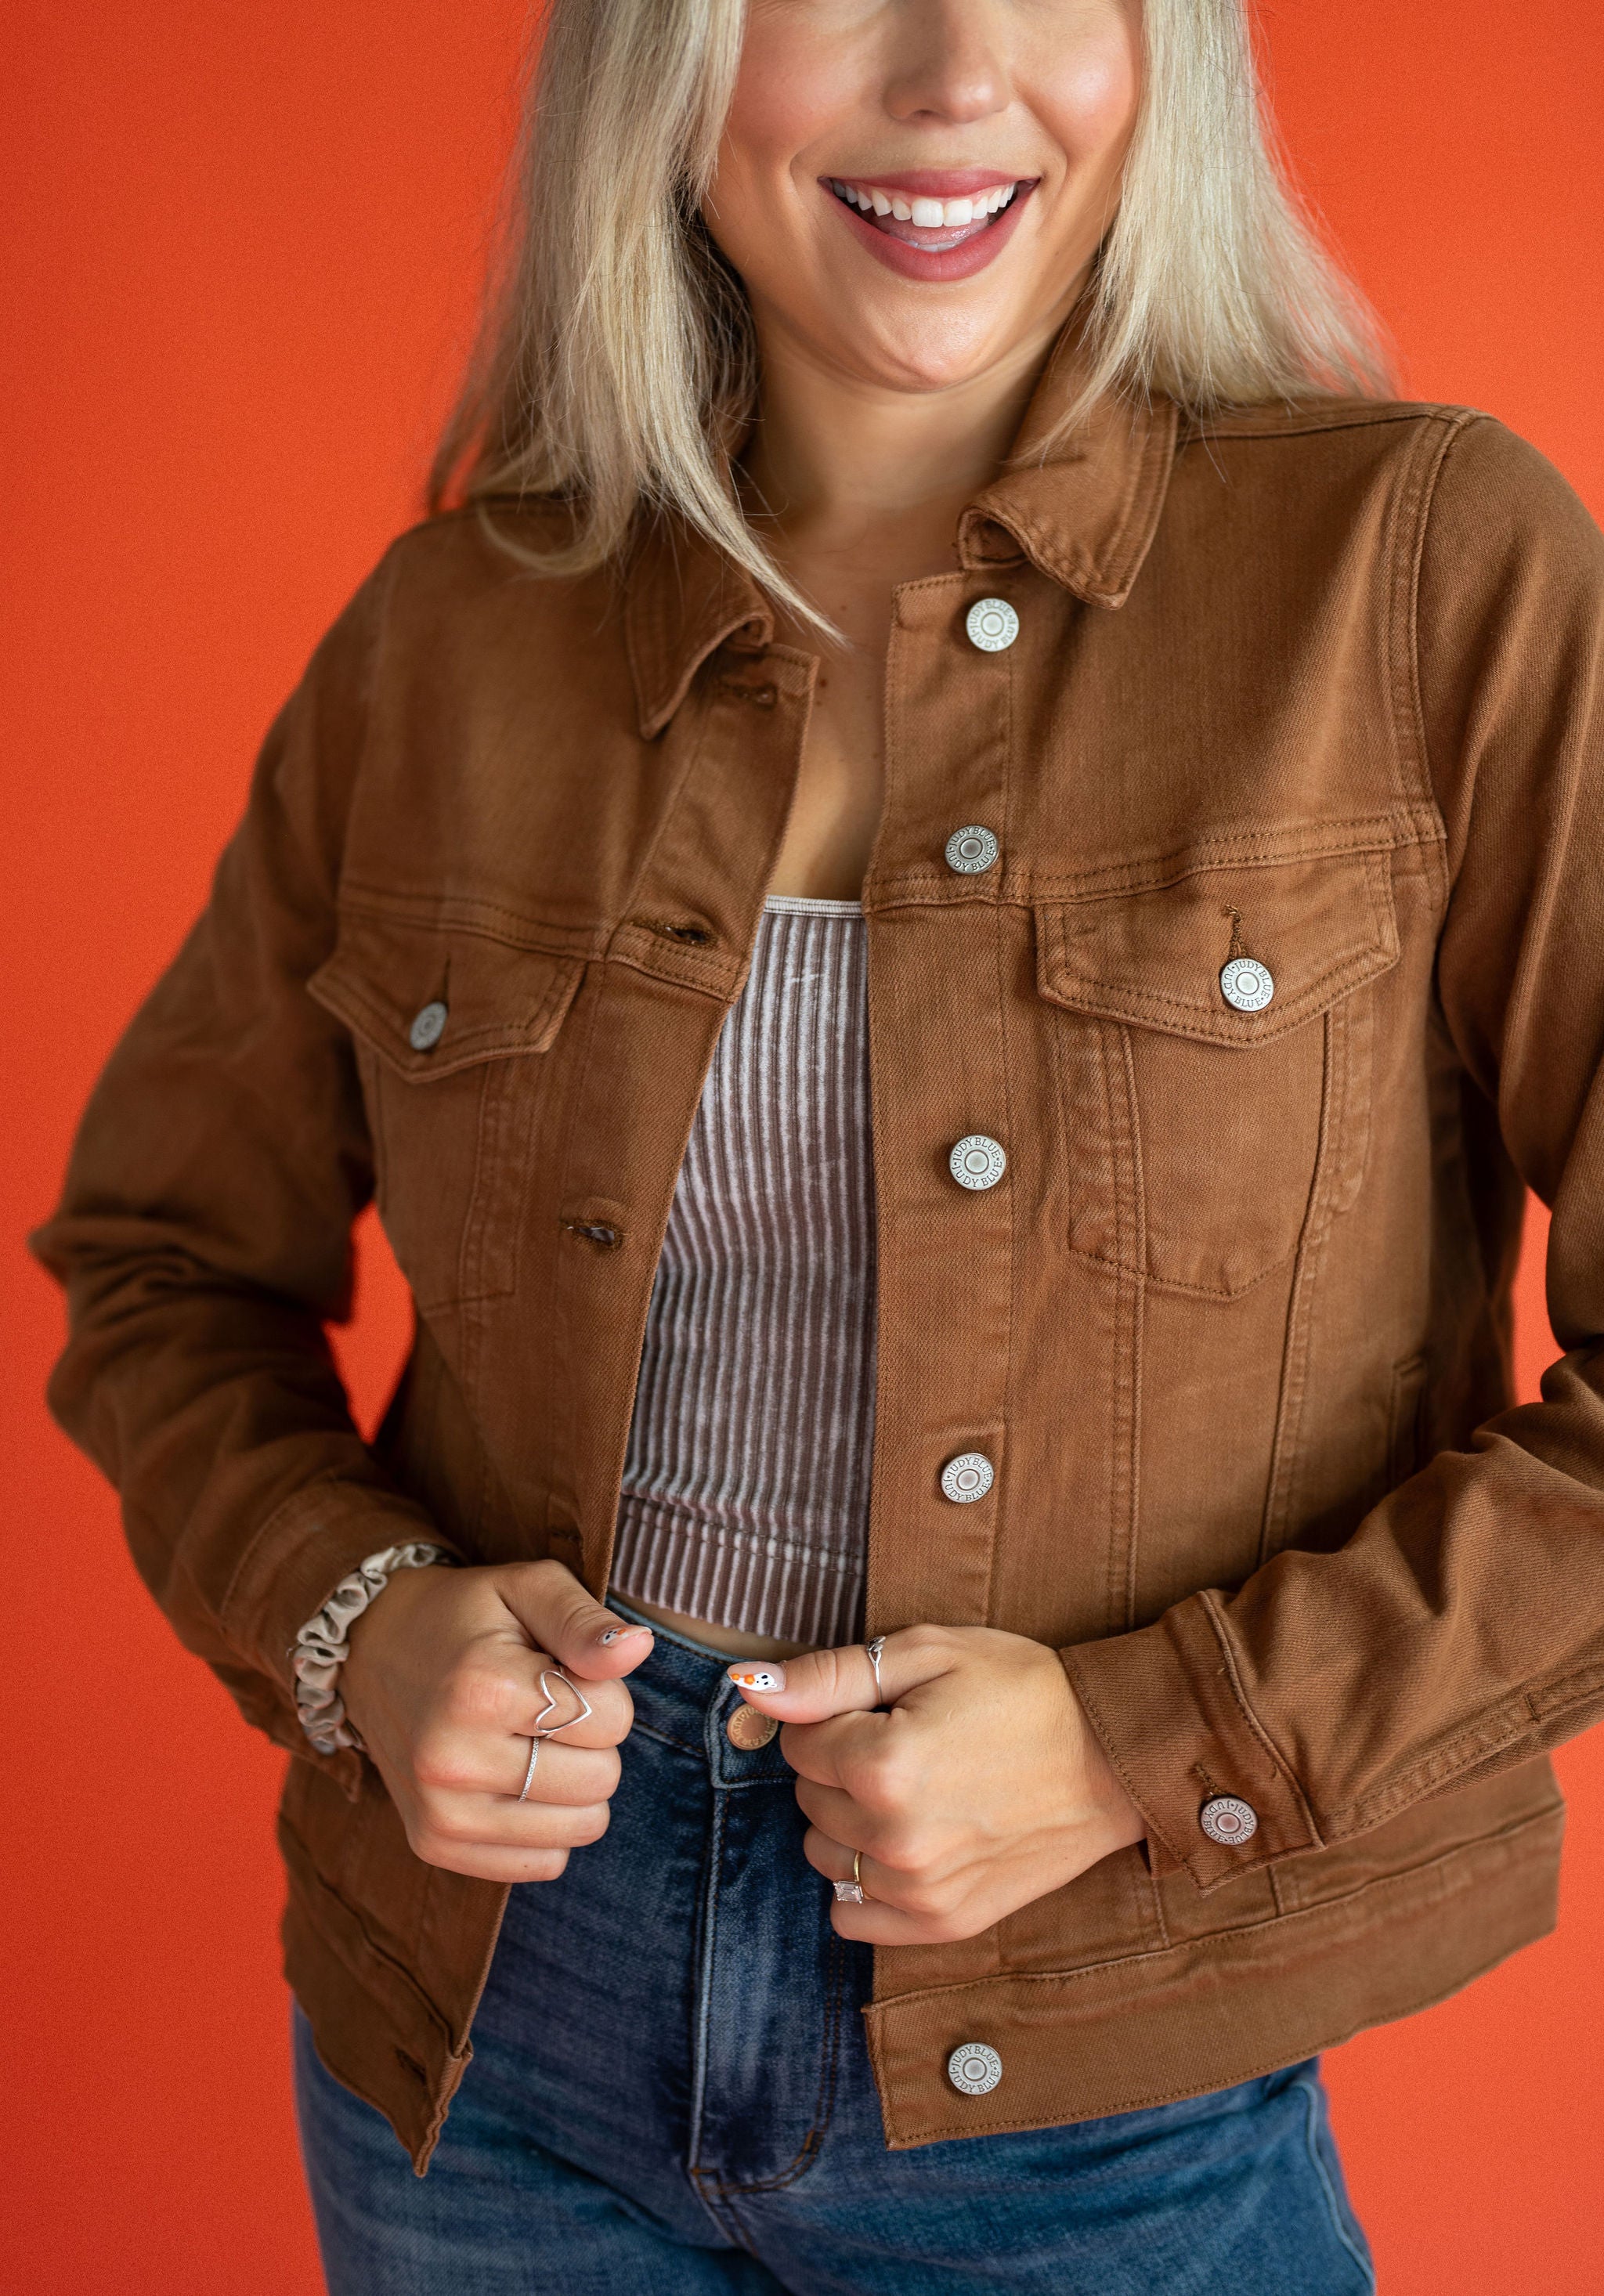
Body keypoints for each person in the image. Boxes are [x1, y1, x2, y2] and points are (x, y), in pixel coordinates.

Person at [33, 0, 1604, 2287]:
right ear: (661, 65)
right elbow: (164, 1258)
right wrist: (354, 1624)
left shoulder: (1429, 567)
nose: (955, 75)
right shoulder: (446, 636)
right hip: (482, 2046)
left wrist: (1148, 1742)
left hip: (1097, 2062)